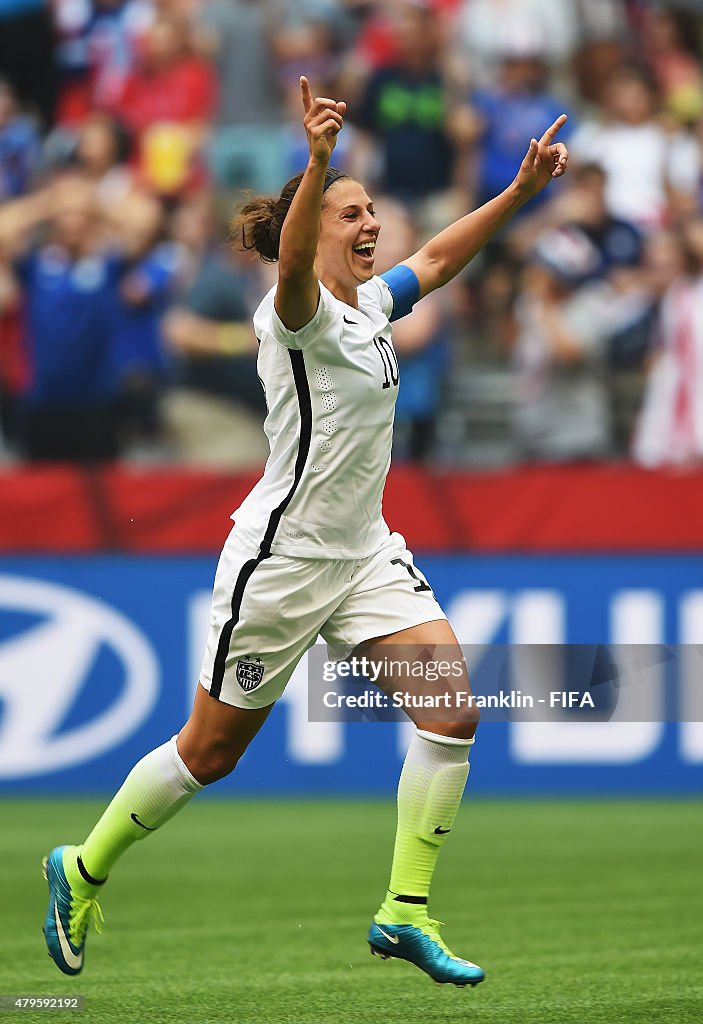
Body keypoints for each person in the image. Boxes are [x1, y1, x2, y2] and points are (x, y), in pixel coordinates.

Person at [42, 77, 568, 986]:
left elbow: (438, 259)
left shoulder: (365, 308)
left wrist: (519, 194)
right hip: (280, 564)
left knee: (453, 709)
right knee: (209, 752)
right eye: (351, 214)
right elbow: (290, 270)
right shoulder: (297, 314)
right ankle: (81, 868)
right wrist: (319, 159)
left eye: (373, 212)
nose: (373, 226)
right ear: (314, 225)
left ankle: (404, 912)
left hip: (363, 552)